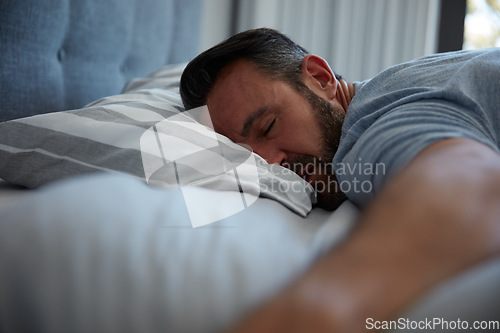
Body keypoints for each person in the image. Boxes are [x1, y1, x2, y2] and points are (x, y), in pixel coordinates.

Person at [180, 28, 500, 332]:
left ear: (320, 78)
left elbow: (469, 182)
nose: (270, 163)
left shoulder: (368, 126)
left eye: (268, 127)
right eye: (246, 156)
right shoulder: (407, 82)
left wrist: (316, 313)